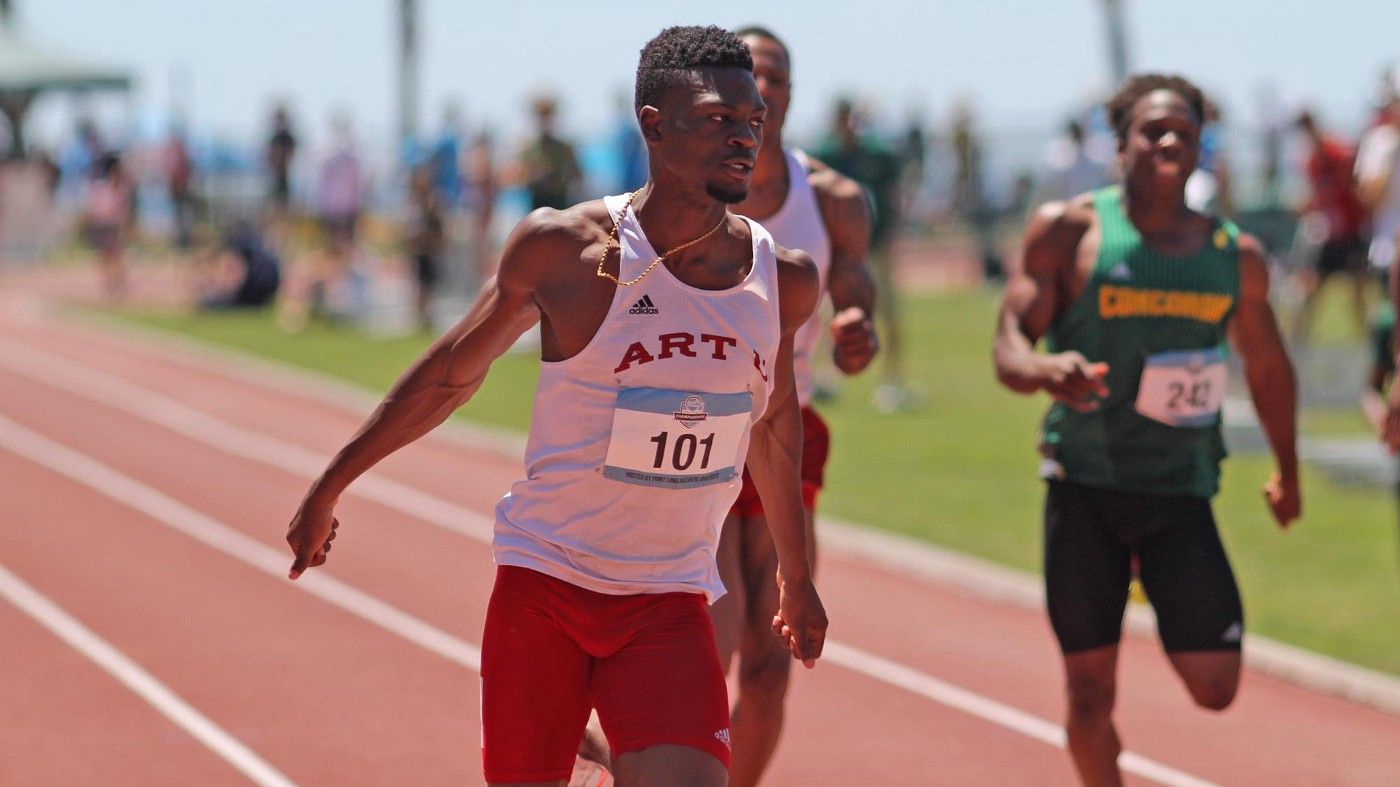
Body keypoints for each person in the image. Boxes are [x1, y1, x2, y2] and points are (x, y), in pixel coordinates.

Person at [285, 25, 828, 786]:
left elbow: (773, 427)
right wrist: (330, 483)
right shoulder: (567, 252)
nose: (742, 137)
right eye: (715, 120)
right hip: (545, 590)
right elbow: (449, 375)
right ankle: (596, 747)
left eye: (753, 122)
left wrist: (795, 577)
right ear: (653, 123)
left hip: (668, 597)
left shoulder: (781, 281)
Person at [993, 74, 1301, 787]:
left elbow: (1270, 366)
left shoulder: (1233, 254)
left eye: (1183, 132)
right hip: (1087, 488)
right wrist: (1043, 370)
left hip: (1178, 489)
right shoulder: (1070, 230)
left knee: (1216, 685)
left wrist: (1287, 467)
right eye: (1152, 130)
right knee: (1089, 693)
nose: (1168, 141)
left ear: (1201, 148)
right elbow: (1008, 344)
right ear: (1120, 140)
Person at [709, 26, 876, 787]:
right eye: (747, 75)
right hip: (699, 429)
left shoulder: (833, 200)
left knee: (770, 661)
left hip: (790, 426)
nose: (761, 89)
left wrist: (854, 332)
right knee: (712, 639)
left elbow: (856, 298)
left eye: (773, 76)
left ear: (788, 93)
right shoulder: (693, 191)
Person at [815, 97, 909, 411]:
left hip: (876, 244)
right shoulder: (827, 154)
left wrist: (891, 233)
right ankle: (828, 377)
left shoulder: (878, 154)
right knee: (827, 313)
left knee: (887, 312)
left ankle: (892, 381)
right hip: (839, 247)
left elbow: (894, 197)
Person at [1290, 110, 1370, 340]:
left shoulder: (1338, 153)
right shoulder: (1312, 162)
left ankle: (1365, 341)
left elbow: (1355, 186)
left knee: (1358, 287)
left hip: (1351, 231)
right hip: (1330, 234)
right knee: (1310, 283)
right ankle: (1299, 340)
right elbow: (1319, 198)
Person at [81, 151, 136, 299]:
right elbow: (94, 209)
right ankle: (111, 282)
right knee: (107, 255)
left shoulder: (119, 186)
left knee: (116, 254)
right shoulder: (102, 187)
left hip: (112, 224)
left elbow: (123, 208)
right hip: (104, 224)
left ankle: (117, 281)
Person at [519, 93, 583, 211]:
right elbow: (520, 177)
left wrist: (559, 180)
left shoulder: (563, 148)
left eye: (547, 115)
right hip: (537, 200)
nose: (544, 120)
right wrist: (533, 176)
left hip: (559, 199)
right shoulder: (529, 148)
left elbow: (577, 174)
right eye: (541, 115)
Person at [405, 164, 446, 330]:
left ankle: (426, 316)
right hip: (418, 250)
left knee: (428, 284)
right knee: (420, 283)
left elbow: (438, 228)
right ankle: (421, 316)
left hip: (429, 250)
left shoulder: (432, 202)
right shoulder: (413, 202)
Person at [266, 104, 298, 214]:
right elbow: (269, 158)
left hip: (288, 178)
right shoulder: (273, 139)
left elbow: (292, 157)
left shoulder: (288, 138)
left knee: (285, 206)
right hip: (274, 178)